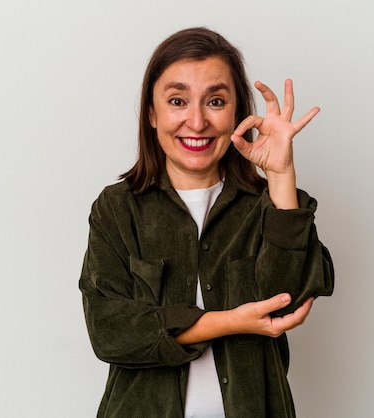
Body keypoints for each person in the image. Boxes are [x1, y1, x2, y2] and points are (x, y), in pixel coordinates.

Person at [79, 27, 334, 418]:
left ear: (236, 113)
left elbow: (287, 301)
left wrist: (282, 177)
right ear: (152, 112)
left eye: (215, 101)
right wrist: (228, 322)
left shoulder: (270, 206)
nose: (196, 122)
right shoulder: (117, 209)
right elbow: (110, 332)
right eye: (178, 101)